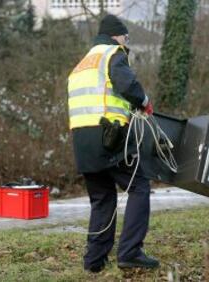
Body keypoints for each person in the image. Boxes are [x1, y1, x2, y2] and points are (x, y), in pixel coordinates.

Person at [67, 14, 159, 272]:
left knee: (102, 198)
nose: (126, 43)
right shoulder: (113, 53)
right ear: (116, 35)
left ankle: (94, 261)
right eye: (126, 38)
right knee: (139, 186)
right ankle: (130, 252)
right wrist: (143, 101)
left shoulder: (82, 64)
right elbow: (126, 84)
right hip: (108, 137)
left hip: (82, 142)